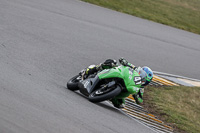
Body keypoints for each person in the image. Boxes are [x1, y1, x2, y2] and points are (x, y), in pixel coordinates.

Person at [84, 58, 153, 108]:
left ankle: (108, 95)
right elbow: (126, 63)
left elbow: (140, 100)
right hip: (122, 75)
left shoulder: (140, 88)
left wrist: (136, 95)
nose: (142, 79)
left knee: (121, 104)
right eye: (142, 75)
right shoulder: (134, 69)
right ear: (140, 71)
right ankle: (93, 69)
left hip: (124, 89)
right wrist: (124, 61)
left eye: (145, 80)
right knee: (112, 63)